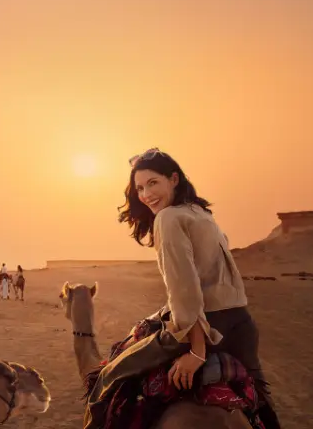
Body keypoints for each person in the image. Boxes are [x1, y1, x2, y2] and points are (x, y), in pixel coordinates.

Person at [86, 147, 281, 429]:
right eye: (140, 188)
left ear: (173, 179)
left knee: (107, 380)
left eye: (153, 183)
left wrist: (197, 353)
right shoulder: (202, 213)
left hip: (202, 329)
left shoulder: (167, 219)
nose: (146, 194)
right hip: (241, 326)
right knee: (262, 404)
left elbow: (185, 293)